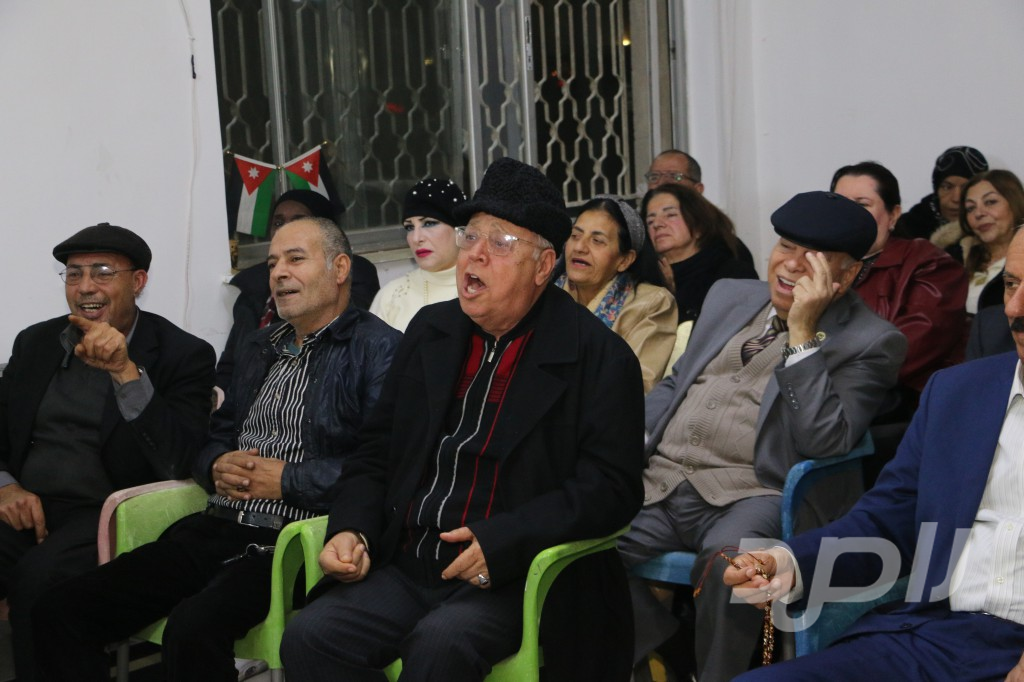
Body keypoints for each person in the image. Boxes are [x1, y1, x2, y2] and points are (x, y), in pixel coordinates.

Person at [279, 157, 645, 682]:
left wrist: (504, 541)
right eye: (470, 236)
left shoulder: (598, 357)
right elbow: (377, 449)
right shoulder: (431, 331)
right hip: (409, 561)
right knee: (311, 637)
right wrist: (352, 526)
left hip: (511, 573)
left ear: (544, 266)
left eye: (500, 243)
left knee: (439, 646)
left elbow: (611, 489)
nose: (475, 254)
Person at [32, 217, 401, 681]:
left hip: (294, 542)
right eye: (272, 263)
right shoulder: (258, 345)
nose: (278, 273)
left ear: (340, 268)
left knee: (192, 628)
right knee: (61, 609)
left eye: (295, 259)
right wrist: (216, 464)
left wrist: (287, 480)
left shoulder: (380, 349)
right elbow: (213, 438)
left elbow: (384, 466)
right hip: (217, 525)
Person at [619, 191, 906, 682]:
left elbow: (825, 441)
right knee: (578, 535)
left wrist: (803, 334)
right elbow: (680, 380)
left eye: (813, 259)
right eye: (785, 247)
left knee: (734, 564)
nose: (790, 265)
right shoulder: (730, 295)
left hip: (754, 493)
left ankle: (717, 676)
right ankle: (667, 644)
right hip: (661, 480)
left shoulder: (871, 341)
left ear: (846, 274)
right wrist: (631, 436)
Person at [724, 226, 1024, 682]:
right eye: (1011, 284)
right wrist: (791, 562)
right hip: (933, 637)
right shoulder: (961, 393)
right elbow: (889, 520)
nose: (1014, 309)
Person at [0, 222, 216, 682]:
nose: (85, 287)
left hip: (108, 512)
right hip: (26, 504)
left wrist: (124, 371)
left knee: (38, 583)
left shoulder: (183, 354)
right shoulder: (35, 342)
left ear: (138, 282)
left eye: (102, 272)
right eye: (74, 274)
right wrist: (6, 487)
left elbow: (180, 458)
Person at [830, 161, 967, 407]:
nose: (849, 214)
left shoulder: (929, 264)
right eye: (839, 204)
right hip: (820, 393)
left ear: (893, 215)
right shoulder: (816, 262)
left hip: (899, 405)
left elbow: (899, 353)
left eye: (862, 205)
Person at [216, 189, 381, 391]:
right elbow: (230, 365)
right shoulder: (253, 286)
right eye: (278, 223)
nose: (286, 229)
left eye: (296, 259)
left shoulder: (355, 278)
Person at [554, 194, 677, 391]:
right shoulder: (546, 295)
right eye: (575, 236)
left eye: (597, 240)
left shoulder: (652, 304)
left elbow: (637, 387)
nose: (579, 247)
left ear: (625, 260)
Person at [642, 182, 758, 324]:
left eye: (670, 215)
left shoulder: (732, 275)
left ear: (699, 225)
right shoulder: (644, 277)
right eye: (650, 221)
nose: (657, 224)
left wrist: (670, 297)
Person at [370, 177, 466, 331]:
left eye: (429, 223)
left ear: (460, 230)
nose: (416, 238)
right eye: (409, 227)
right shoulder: (391, 297)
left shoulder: (484, 291)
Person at [933, 170, 1024, 315]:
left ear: (1015, 203)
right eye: (970, 208)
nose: (979, 213)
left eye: (990, 202)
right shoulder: (953, 258)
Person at [894, 145, 989, 241]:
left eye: (965, 188)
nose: (956, 198)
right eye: (947, 187)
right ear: (936, 190)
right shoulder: (904, 229)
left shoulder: (991, 229)